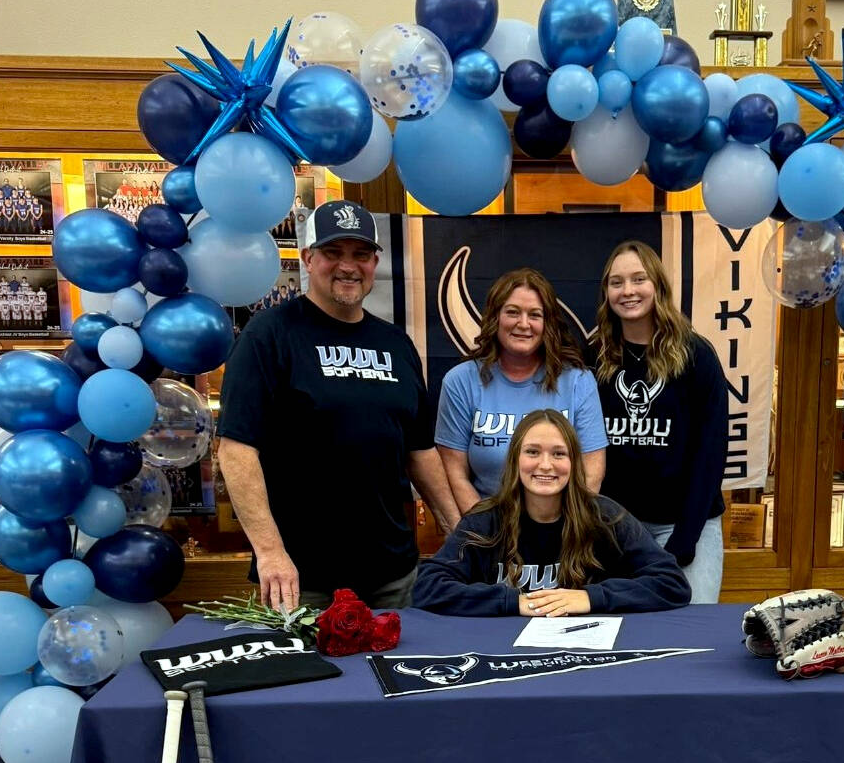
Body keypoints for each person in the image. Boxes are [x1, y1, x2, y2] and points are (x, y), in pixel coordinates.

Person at [217, 199, 459, 611]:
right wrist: (271, 553)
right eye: (333, 253)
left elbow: (419, 449)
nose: (348, 266)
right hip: (302, 578)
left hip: (394, 575)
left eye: (360, 255)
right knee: (312, 678)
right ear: (308, 258)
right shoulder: (269, 335)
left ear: (374, 263)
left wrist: (455, 527)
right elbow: (237, 451)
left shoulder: (395, 344)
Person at [414, 409, 690, 617]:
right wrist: (513, 601)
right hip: (502, 650)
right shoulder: (485, 520)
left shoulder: (605, 516)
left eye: (559, 454)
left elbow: (672, 582)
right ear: (515, 460)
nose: (545, 465)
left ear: (573, 463)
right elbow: (428, 587)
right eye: (533, 452)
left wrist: (591, 598)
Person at [588, 240, 729, 603]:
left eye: (639, 279)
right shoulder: (593, 356)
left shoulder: (695, 354)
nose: (628, 291)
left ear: (658, 287)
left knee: (692, 626)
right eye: (616, 282)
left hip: (685, 523)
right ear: (606, 292)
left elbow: (710, 453)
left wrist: (685, 538)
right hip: (615, 529)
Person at [435, 268, 607, 512]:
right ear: (495, 318)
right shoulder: (460, 381)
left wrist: (564, 532)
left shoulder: (578, 381)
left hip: (561, 529)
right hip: (486, 530)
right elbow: (454, 473)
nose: (523, 324)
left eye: (535, 315)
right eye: (513, 312)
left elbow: (592, 472)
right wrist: (484, 534)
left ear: (547, 324)